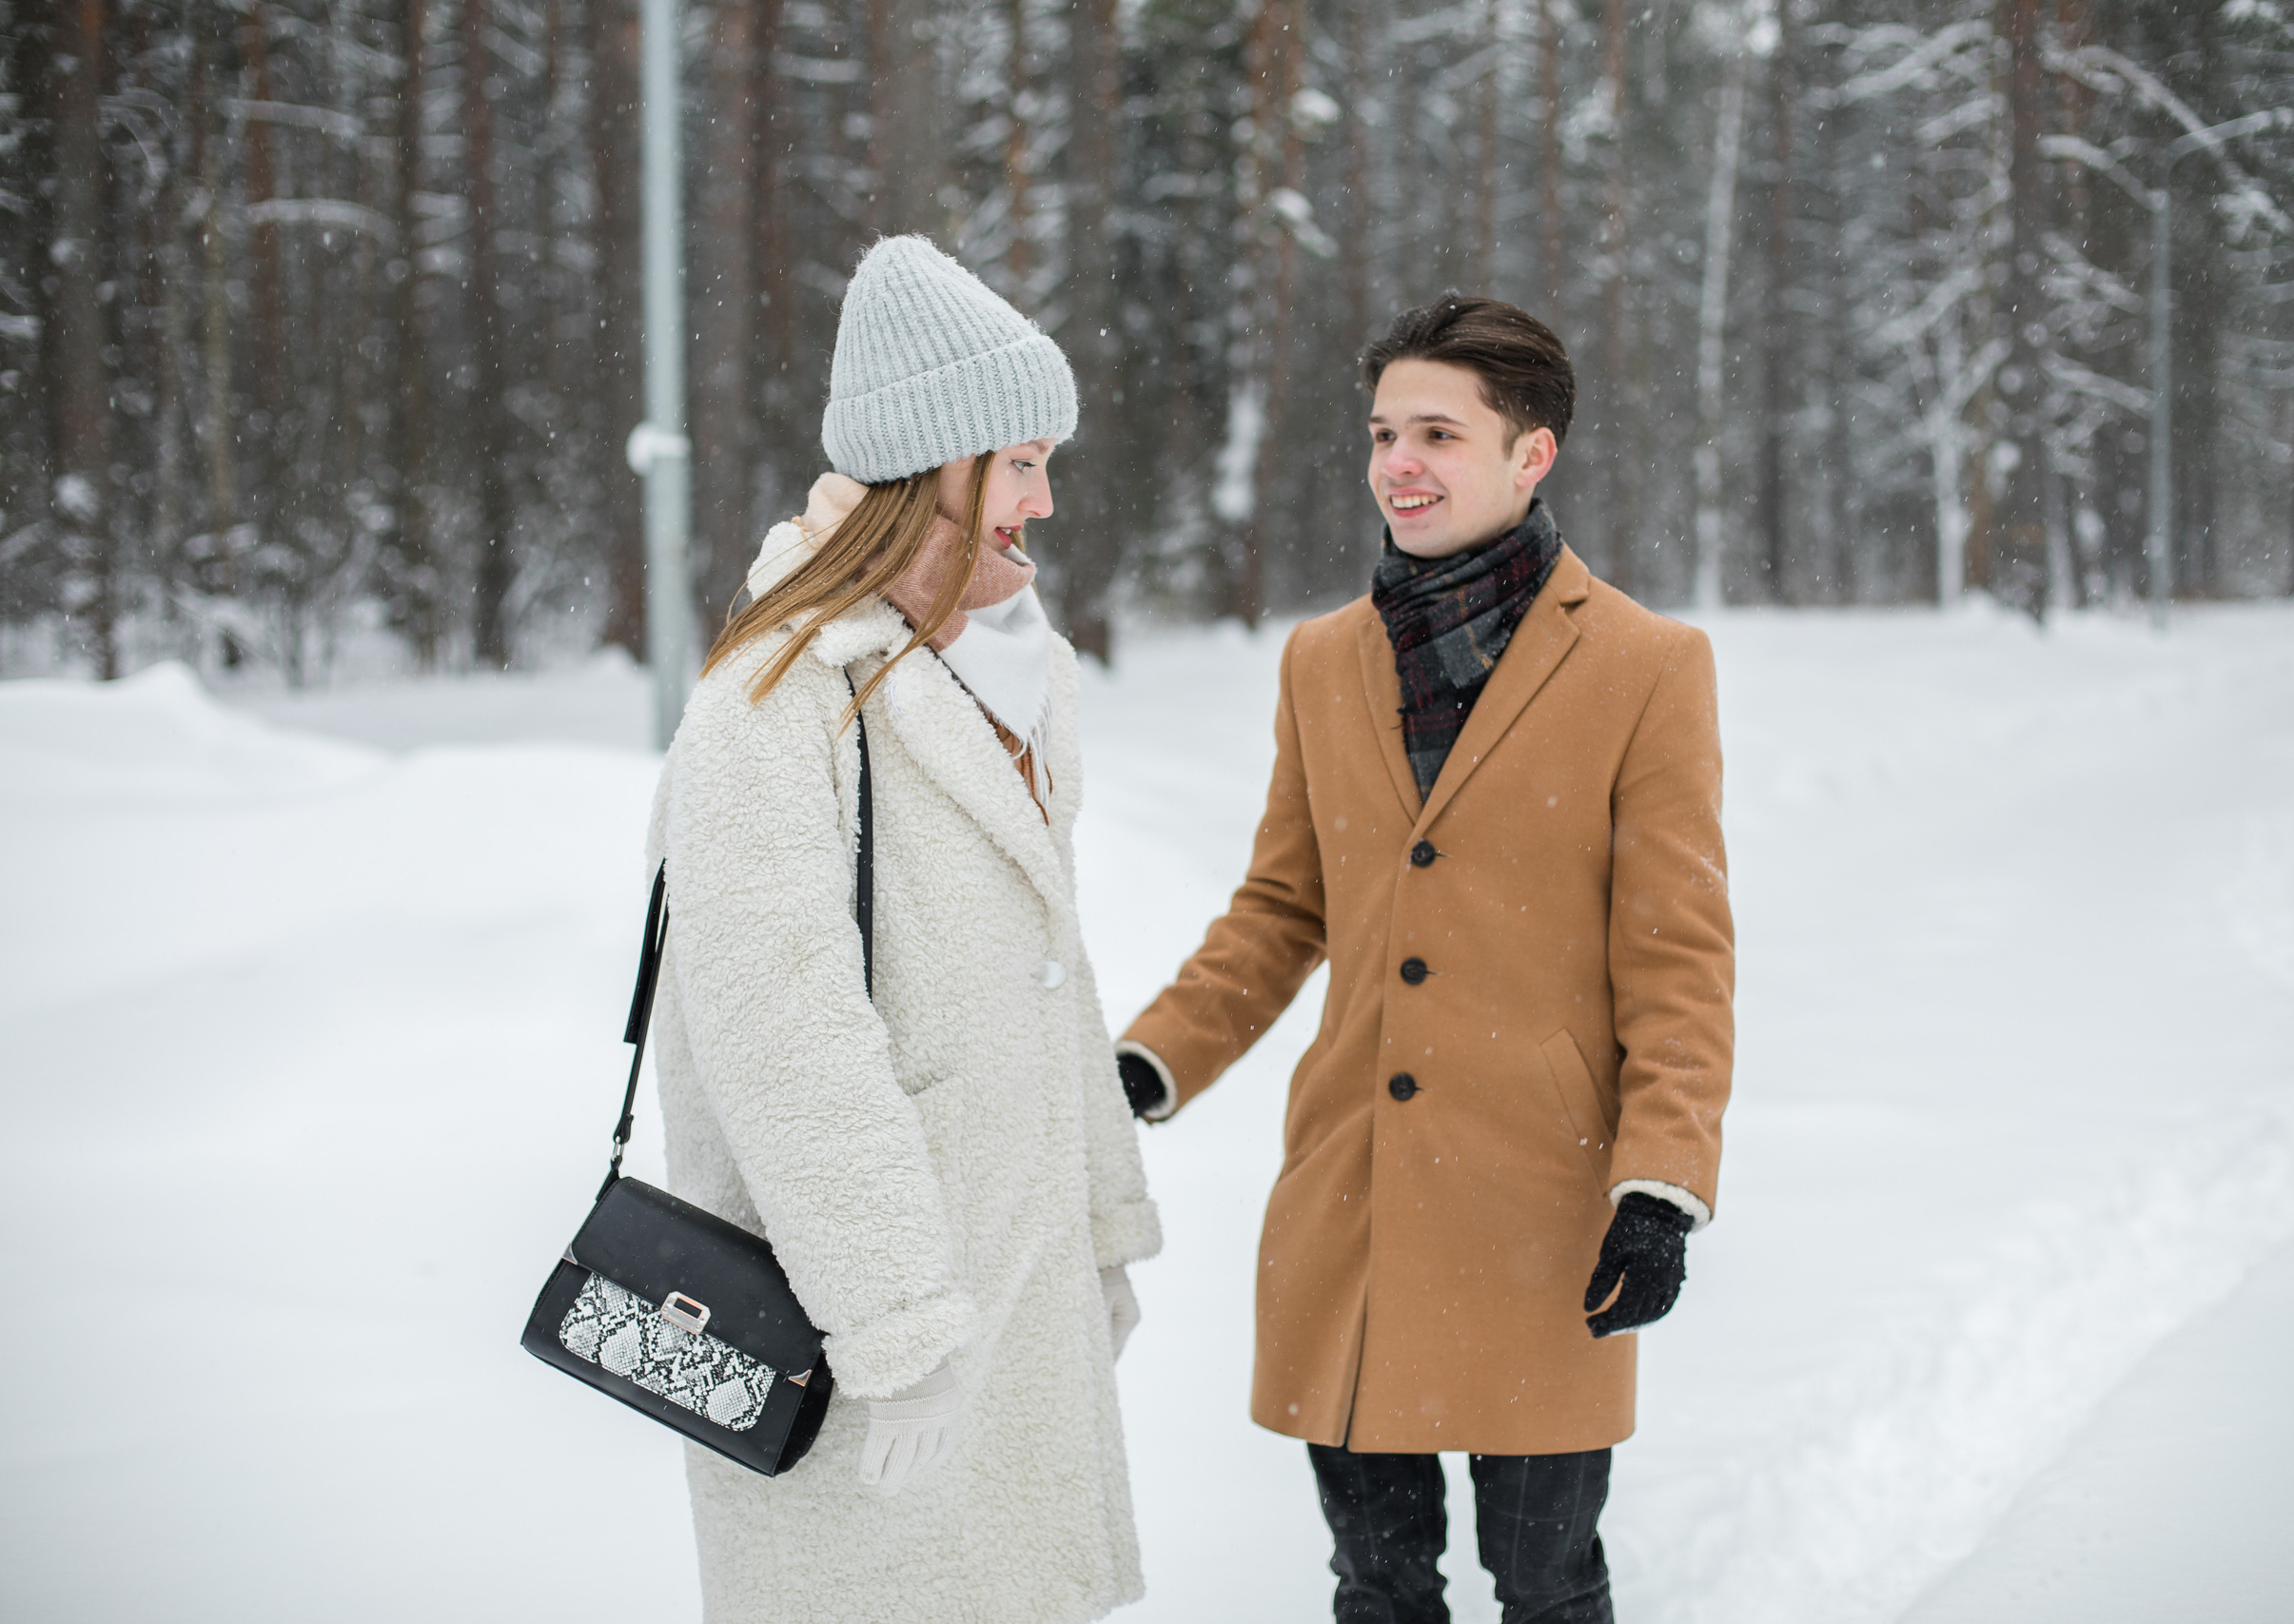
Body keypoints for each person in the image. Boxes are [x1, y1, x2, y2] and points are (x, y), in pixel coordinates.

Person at [1114, 295, 1734, 1624]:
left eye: (1439, 433)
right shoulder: (1324, 660)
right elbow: (1285, 906)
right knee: (1378, 1590)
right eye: (1387, 431)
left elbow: (1680, 963)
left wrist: (1661, 1189)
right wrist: (1150, 1059)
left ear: (1532, 453)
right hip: (1362, 1210)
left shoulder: (1645, 667)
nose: (1400, 461)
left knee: (1549, 1587)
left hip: (1549, 1220)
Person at [643, 235, 1161, 1624]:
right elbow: (780, 1032)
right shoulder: (775, 697)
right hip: (859, 1333)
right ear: (935, 467)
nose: (1044, 501)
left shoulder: (1012, 677)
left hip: (1010, 1281)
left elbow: (1058, 974)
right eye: (1022, 463)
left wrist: (1101, 1230)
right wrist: (895, 1328)